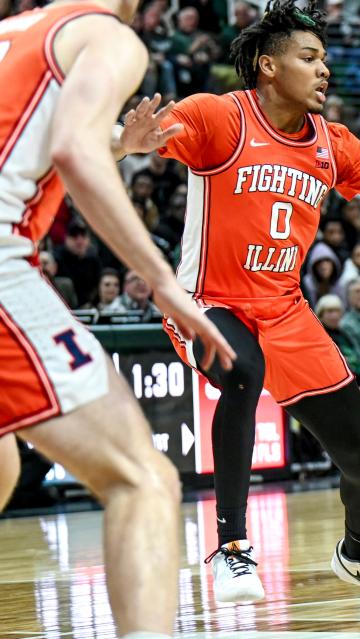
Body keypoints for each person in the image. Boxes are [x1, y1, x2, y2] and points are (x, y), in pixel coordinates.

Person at [121, 0, 360, 606]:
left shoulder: (332, 143)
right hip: (207, 302)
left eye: (325, 60)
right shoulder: (220, 118)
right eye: (309, 58)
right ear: (267, 65)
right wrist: (124, 144)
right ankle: (232, 550)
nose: (323, 71)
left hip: (285, 309)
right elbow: (126, 142)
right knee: (243, 372)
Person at [0, 2, 235, 637]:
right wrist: (162, 281)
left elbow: (47, 136)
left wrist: (119, 142)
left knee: (2, 468)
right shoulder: (107, 35)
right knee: (143, 479)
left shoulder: (15, 34)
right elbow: (72, 149)